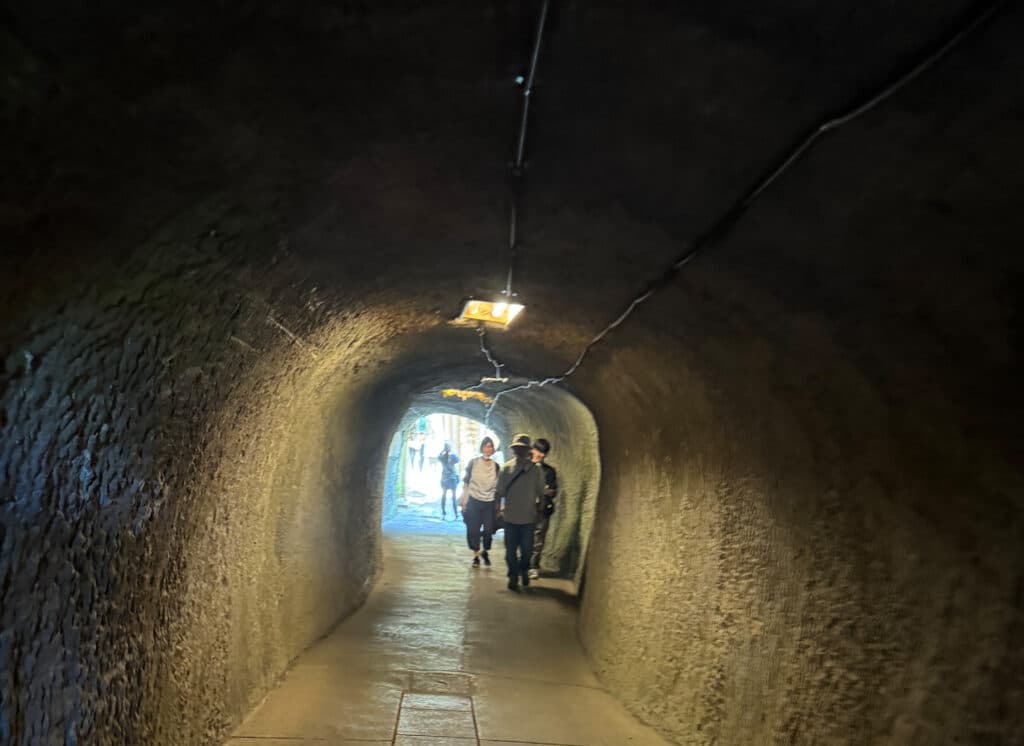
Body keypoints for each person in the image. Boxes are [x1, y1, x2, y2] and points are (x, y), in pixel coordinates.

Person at [495, 433, 546, 591]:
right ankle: (512, 575)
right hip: (510, 518)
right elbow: (499, 492)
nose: (519, 451)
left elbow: (540, 493)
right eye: (517, 448)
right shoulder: (506, 469)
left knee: (526, 551)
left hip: (528, 518)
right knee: (510, 553)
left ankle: (523, 570)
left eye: (522, 448)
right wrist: (497, 509)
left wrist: (540, 510)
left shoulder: (535, 470)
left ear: (527, 451)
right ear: (513, 450)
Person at [459, 437, 500, 567]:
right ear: (482, 448)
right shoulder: (473, 463)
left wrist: (500, 506)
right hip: (474, 501)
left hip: (489, 502)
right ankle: (476, 556)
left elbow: (499, 488)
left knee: (488, 531)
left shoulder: (496, 466)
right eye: (486, 446)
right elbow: (466, 483)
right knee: (473, 530)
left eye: (491, 446)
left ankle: (485, 551)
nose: (489, 449)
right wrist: (464, 501)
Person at [528, 438, 558, 580]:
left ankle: (533, 566)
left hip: (542, 509)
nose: (541, 455)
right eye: (539, 451)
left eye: (544, 453)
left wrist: (545, 491)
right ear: (532, 450)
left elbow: (553, 491)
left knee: (539, 539)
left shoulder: (550, 471)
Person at [438, 442, 460, 519]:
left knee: (446, 495)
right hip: (450, 478)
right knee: (451, 496)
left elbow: (438, 457)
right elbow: (458, 459)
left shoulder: (445, 456)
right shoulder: (448, 456)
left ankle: (446, 513)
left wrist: (443, 450)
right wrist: (450, 451)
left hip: (447, 478)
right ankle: (454, 514)